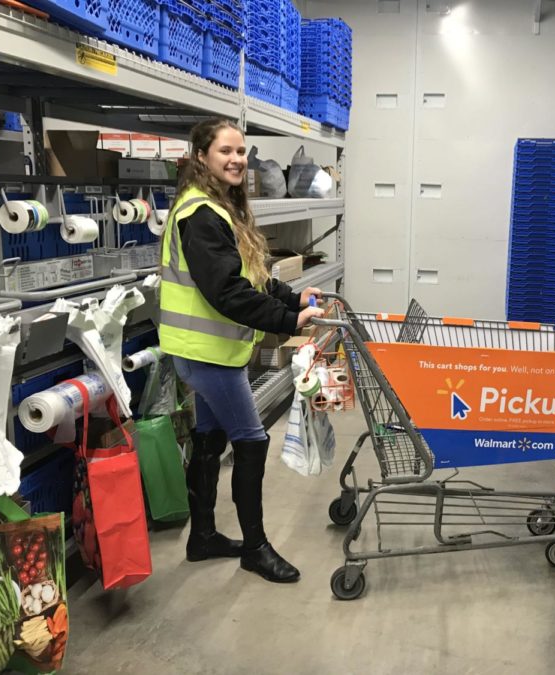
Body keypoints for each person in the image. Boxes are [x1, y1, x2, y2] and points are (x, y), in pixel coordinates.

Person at [159, 118, 325, 583]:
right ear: (201, 157)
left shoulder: (215, 207)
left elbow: (250, 274)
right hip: (207, 354)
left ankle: (204, 537)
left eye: (240, 151)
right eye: (225, 152)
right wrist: (288, 321)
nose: (235, 160)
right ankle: (255, 547)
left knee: (210, 439)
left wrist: (293, 298)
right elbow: (227, 293)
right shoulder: (201, 214)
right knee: (252, 442)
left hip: (208, 351)